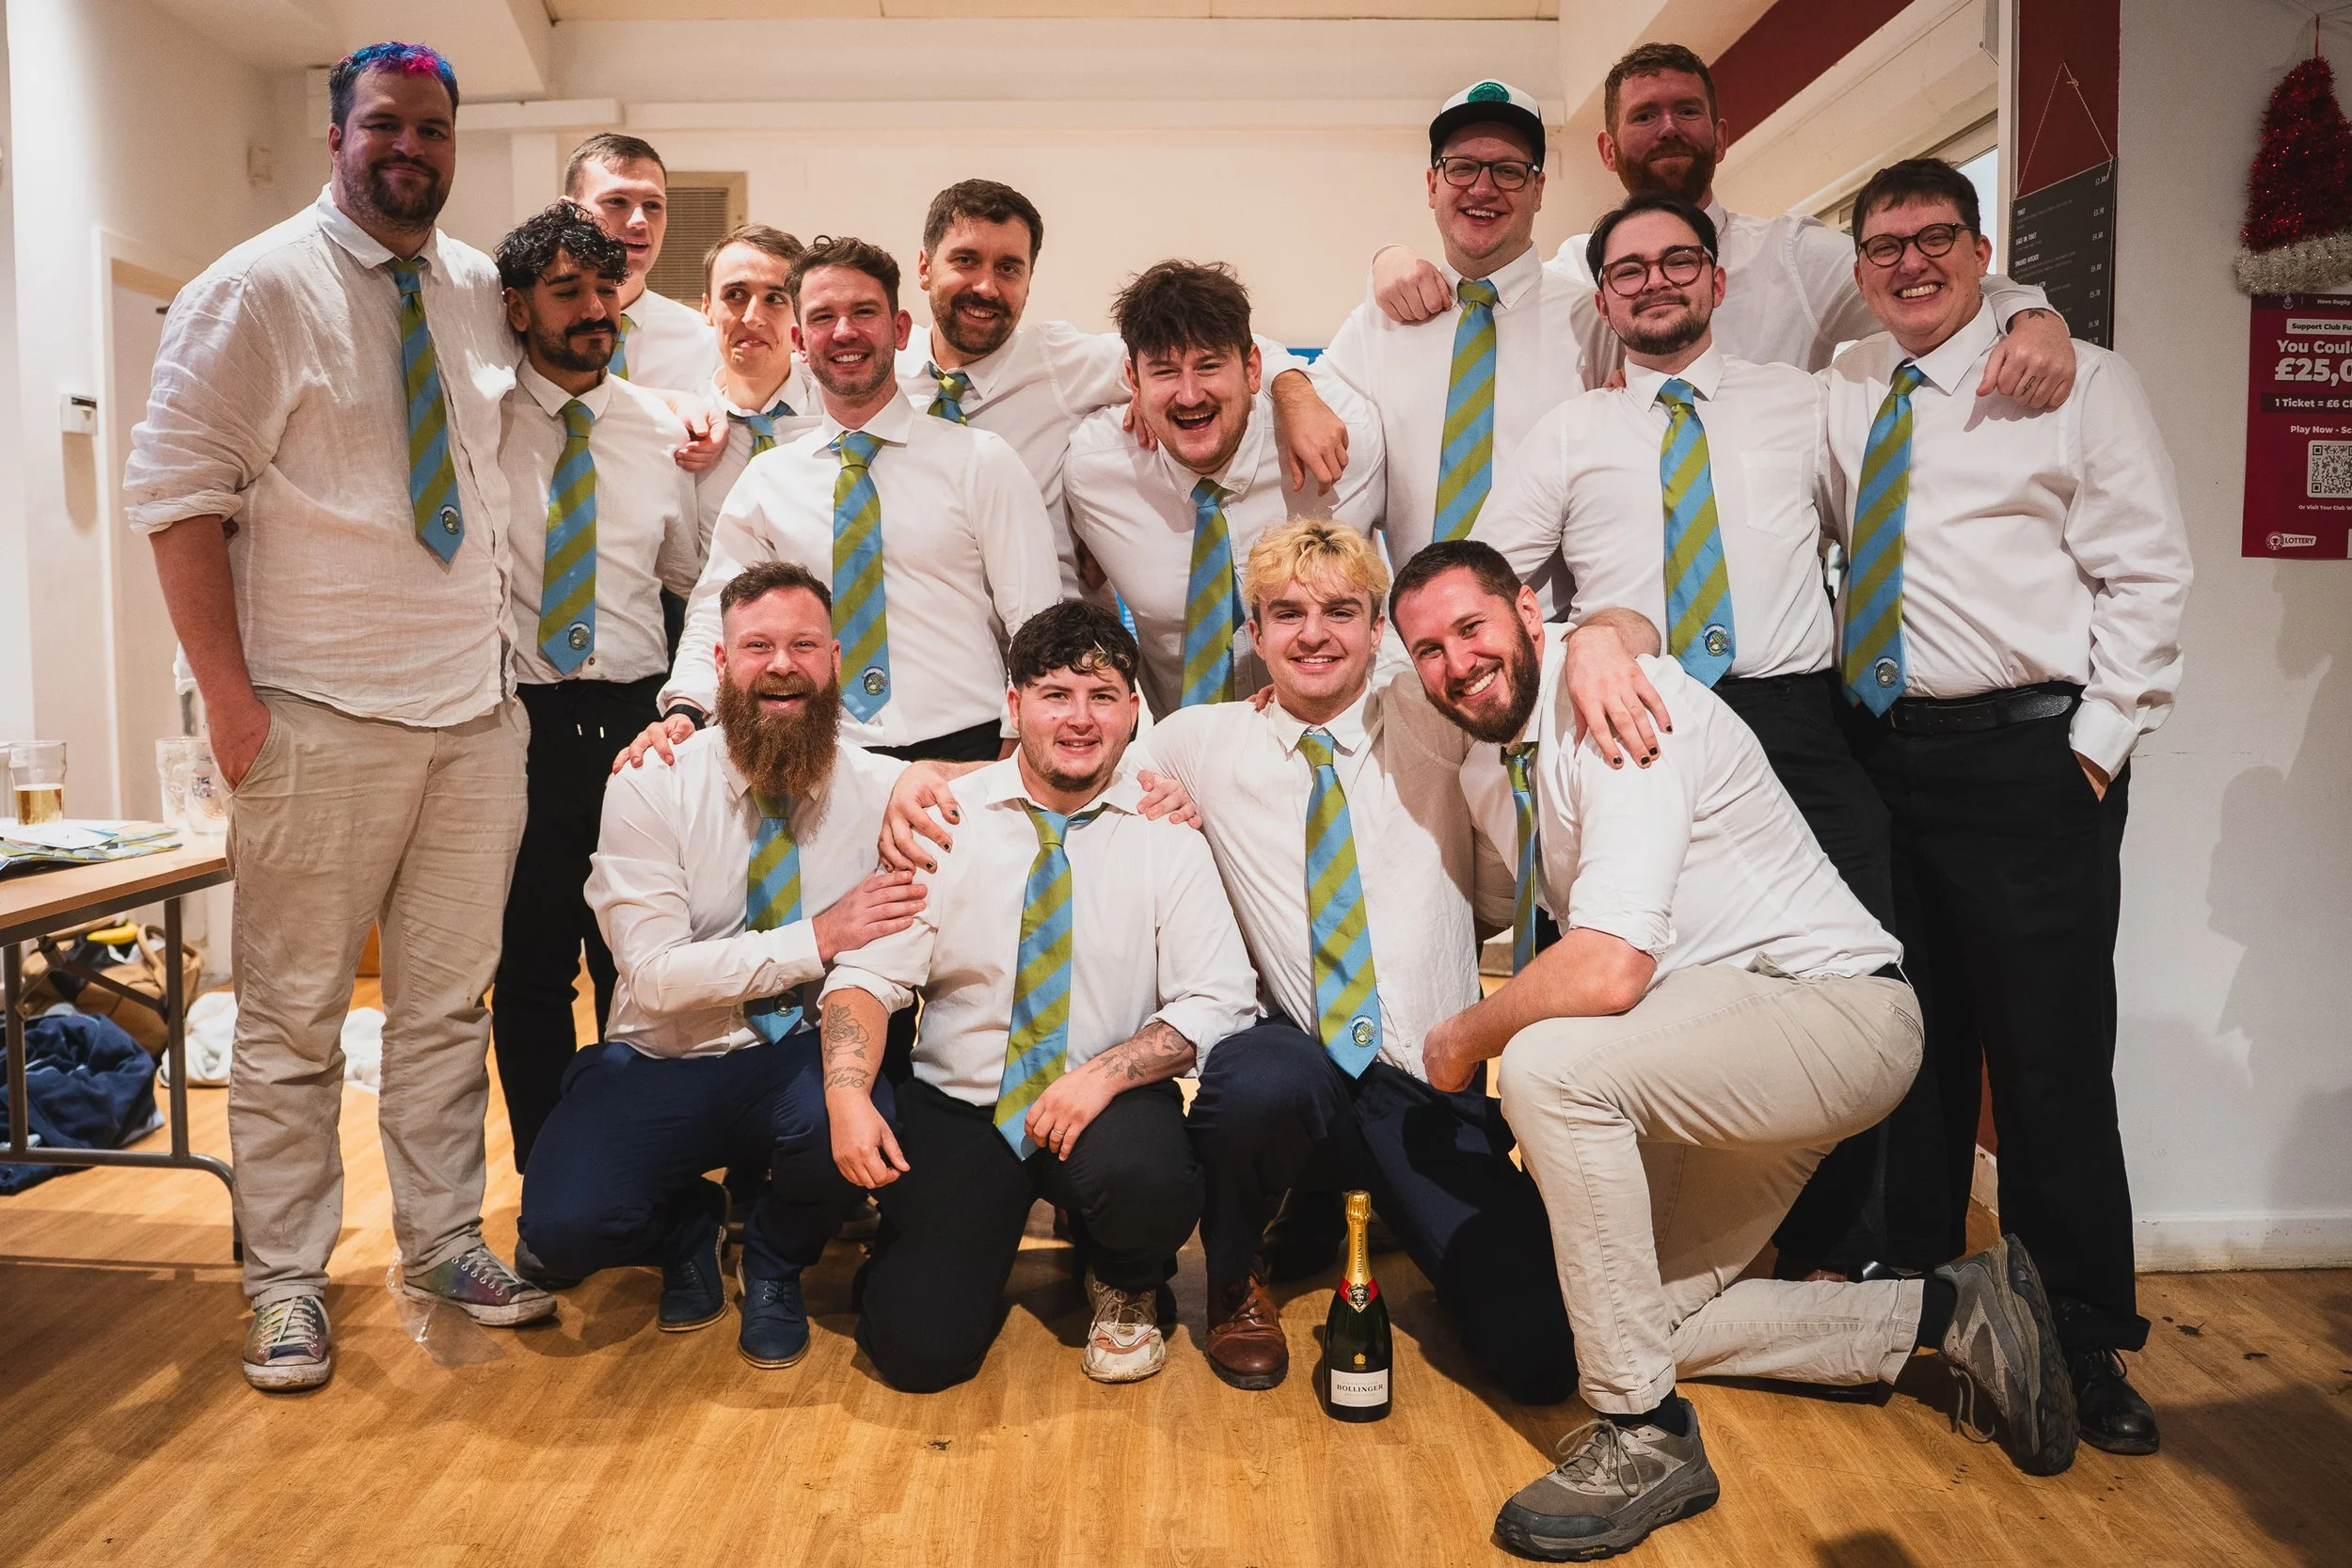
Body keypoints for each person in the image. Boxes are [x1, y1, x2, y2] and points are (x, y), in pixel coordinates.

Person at [1388, 545, 2081, 1560]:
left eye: (1471, 628)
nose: (1455, 661)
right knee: (1627, 1318)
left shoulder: (1620, 705)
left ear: (1529, 613)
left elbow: (1611, 968)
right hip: (1718, 1044)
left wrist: (1459, 1036)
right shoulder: (1503, 760)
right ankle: (1950, 1310)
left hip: (1830, 1015)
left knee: (1544, 1067)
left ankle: (1645, 1434)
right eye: (1428, 650)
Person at [125, 41, 551, 1393]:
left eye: (431, 127)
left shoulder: (479, 288)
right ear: (335, 134)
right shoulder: (250, 291)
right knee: (294, 1019)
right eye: (385, 123)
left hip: (474, 717)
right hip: (314, 715)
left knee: (443, 1008)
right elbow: (177, 499)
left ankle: (438, 1238)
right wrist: (236, 708)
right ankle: (288, 1282)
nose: (409, 148)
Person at [1825, 158, 2192, 1456]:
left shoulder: (2078, 377)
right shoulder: (1851, 385)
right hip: (1884, 762)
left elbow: (2150, 570)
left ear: (1986, 254)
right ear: (1858, 267)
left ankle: (2087, 1339)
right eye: (1884, 247)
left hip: (2031, 763)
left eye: (1936, 239)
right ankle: (1929, 1310)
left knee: (2048, 1069)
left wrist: (2089, 752)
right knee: (1909, 1061)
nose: (1910, 263)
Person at [1473, 191, 1898, 1276]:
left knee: (1835, 978)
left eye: (1677, 263)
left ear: (1716, 279)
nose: (1655, 282)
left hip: (1796, 719)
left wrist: (2026, 315)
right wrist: (1590, 638)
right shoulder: (1570, 431)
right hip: (1638, 724)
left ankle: (1835, 1255)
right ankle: (1658, 1250)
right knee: (1642, 992)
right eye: (1629, 270)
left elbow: (1891, 518)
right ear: (1604, 297)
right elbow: (1484, 583)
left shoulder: (1801, 401)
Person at [1135, 518, 1574, 1403]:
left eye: (1342, 610)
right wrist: (918, 783)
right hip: (1305, 1071)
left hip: (1431, 1081)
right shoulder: (1197, 740)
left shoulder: (1437, 709)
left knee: (1538, 1359)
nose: (1313, 633)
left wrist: (1608, 639)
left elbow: (1553, 651)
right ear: (1253, 633)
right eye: (1285, 612)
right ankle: (1232, 1275)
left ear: (1379, 630)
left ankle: (1372, 1213)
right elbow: (1070, 777)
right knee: (1256, 1081)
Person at [818, 602, 1267, 1391]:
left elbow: (1220, 998)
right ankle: (926, 1250)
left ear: (1134, 710)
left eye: (1102, 695)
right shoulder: (944, 821)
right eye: (1056, 693)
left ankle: (1128, 1275)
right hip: (963, 1101)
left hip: (1109, 1101)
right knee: (918, 1353)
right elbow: (866, 975)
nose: (1080, 717)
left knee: (1151, 1181)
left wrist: (1102, 1077)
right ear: (1013, 704)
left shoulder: (1168, 832)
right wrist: (848, 1095)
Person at [518, 562, 922, 1368]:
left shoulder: (883, 786)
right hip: (660, 1058)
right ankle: (686, 1229)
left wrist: (1157, 780)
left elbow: (997, 786)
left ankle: (776, 1261)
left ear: (837, 658)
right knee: (561, 1230)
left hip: (794, 1066)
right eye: (758, 645)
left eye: (804, 644)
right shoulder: (650, 783)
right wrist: (819, 937)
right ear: (719, 664)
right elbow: (654, 975)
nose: (782, 665)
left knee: (848, 1116)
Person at [1368, 44, 2080, 410]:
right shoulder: (1571, 271)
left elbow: (1932, 284)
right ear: (1609, 149)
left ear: (1722, 135)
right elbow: (1484, 286)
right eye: (1644, 116)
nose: (1669, 128)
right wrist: (1388, 257)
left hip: (1774, 603)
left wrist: (2033, 315)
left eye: (1687, 111)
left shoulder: (1796, 255)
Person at [643, 235, 1062, 766]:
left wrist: (1024, 737)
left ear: (901, 329)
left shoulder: (982, 461)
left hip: (970, 751)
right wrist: (686, 708)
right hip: (822, 754)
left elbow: (1037, 617)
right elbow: (717, 610)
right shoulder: (767, 479)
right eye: (822, 317)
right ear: (799, 339)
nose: (844, 332)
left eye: (864, 311)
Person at [488, 201, 703, 1174]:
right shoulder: (480, 428)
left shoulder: (665, 433)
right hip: (519, 721)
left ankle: (645, 1167)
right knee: (531, 968)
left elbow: (690, 580)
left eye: (603, 290)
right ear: (519, 308)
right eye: (565, 292)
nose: (591, 310)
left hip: (635, 722)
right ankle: (548, 1171)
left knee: (639, 963)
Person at [898, 179, 1353, 591]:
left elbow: (1207, 347)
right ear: (924, 267)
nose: (987, 287)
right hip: (937, 644)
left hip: (1056, 658)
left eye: (1009, 268)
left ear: (1030, 281)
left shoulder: (1059, 362)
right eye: (966, 260)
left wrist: (1297, 397)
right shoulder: (882, 377)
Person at [1062, 260, 1384, 717]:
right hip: (1187, 765)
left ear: (1253, 369)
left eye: (1209, 366)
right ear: (1133, 382)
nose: (1190, 395)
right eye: (1165, 372)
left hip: (1346, 743)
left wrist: (1292, 388)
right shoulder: (1094, 470)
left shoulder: (1346, 440)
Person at [1310, 80, 1589, 606]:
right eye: (1462, 167)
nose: (1482, 189)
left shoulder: (1591, 323)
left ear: (1539, 190)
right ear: (1432, 185)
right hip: (1414, 646)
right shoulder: (1381, 324)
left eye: (1508, 170)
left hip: (1550, 640)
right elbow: (1295, 389)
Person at [564, 132, 723, 394]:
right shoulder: (524, 327)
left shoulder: (704, 342)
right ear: (567, 212)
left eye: (652, 205)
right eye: (617, 201)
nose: (639, 221)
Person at [693, 223, 820, 543]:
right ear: (707, 308)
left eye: (775, 298)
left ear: (801, 313)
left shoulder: (840, 421)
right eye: (735, 295)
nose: (752, 317)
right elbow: (678, 562)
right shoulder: (685, 434)